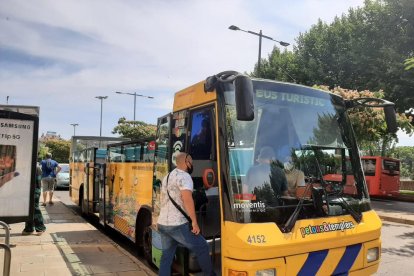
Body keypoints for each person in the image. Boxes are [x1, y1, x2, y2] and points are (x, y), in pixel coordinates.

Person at [157, 152, 215, 276]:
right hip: (177, 224)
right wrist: (194, 222)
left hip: (163, 223)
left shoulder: (167, 176)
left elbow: (163, 199)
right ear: (185, 162)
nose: (192, 164)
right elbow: (187, 199)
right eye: (191, 161)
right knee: (202, 246)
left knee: (166, 257)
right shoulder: (185, 177)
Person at [22, 163, 46, 235]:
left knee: (34, 209)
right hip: (33, 190)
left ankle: (40, 228)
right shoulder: (35, 166)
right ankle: (29, 228)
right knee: (30, 209)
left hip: (33, 191)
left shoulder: (33, 167)